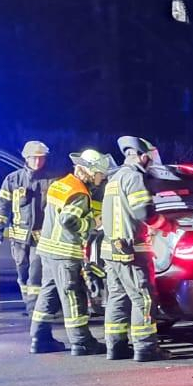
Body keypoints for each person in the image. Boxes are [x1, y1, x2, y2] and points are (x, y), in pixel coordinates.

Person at [30, 149, 114, 355]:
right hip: (65, 254)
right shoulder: (79, 193)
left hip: (48, 250)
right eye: (100, 174)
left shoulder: (61, 184)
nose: (101, 178)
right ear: (89, 171)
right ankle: (81, 342)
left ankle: (39, 338)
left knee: (48, 295)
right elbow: (68, 220)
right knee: (73, 297)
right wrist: (92, 223)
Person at [103, 136, 179, 361]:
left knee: (118, 298)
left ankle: (116, 347)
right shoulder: (135, 177)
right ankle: (146, 347)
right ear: (143, 156)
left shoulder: (115, 178)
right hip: (132, 251)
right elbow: (144, 213)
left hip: (111, 250)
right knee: (143, 299)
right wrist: (167, 225)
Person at [0, 140, 57, 313]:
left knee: (36, 273)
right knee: (23, 272)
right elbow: (3, 205)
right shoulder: (13, 179)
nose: (37, 161)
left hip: (41, 237)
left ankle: (34, 309)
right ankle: (27, 301)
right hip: (19, 238)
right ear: (26, 158)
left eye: (41, 158)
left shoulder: (52, 180)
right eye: (34, 158)